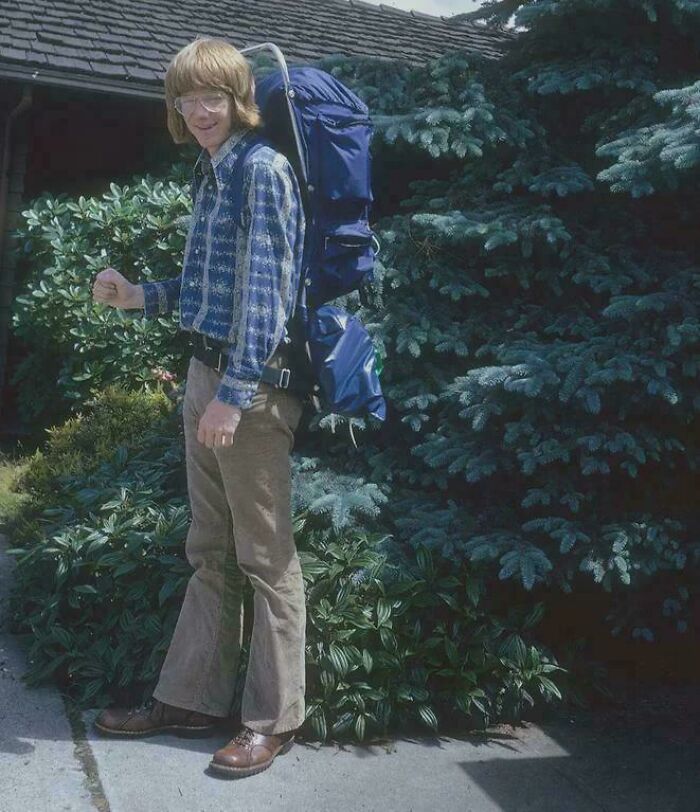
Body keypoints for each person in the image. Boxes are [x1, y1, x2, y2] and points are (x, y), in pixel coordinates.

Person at [91, 37, 307, 779]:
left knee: (266, 556)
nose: (199, 109)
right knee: (208, 549)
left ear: (238, 98)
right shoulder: (210, 172)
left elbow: (266, 298)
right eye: (186, 97)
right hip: (205, 375)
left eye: (212, 95)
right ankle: (191, 698)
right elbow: (205, 287)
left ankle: (271, 722)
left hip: (250, 387)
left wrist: (234, 396)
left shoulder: (264, 171)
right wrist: (137, 298)